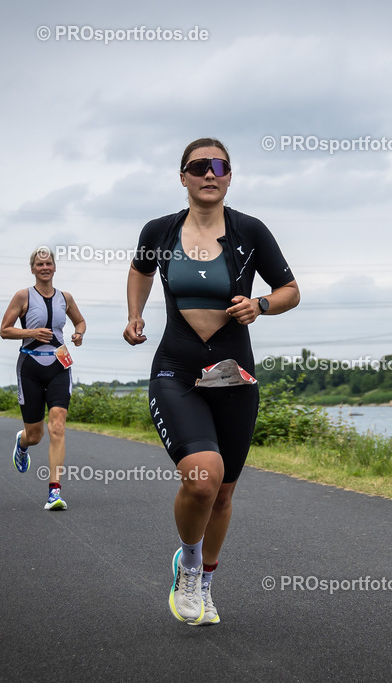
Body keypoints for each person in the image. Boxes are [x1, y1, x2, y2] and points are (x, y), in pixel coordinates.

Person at [124, 138, 300, 626]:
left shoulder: (250, 231)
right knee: (202, 475)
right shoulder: (158, 231)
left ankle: (207, 580)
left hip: (234, 374)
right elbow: (139, 271)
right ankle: (189, 562)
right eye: (199, 166)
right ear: (182, 177)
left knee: (223, 490)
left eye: (219, 166)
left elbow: (291, 290)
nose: (210, 173)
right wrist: (134, 315)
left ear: (229, 176)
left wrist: (260, 304)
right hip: (174, 370)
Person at [0, 247, 86, 511]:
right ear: (33, 269)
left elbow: (80, 322)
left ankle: (54, 491)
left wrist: (79, 334)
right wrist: (31, 332)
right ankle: (23, 443)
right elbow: (4, 330)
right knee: (36, 434)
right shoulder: (22, 296)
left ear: (55, 267)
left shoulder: (66, 298)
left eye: (48, 263)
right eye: (40, 264)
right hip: (30, 366)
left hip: (60, 364)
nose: (45, 267)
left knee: (57, 426)